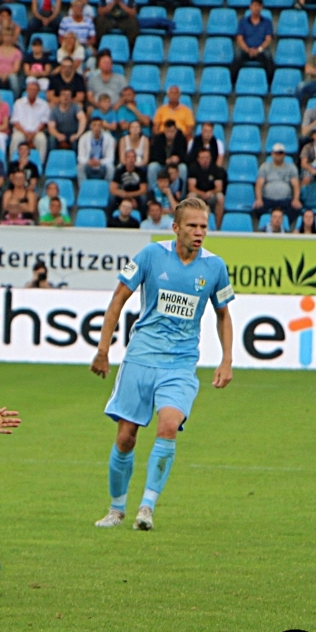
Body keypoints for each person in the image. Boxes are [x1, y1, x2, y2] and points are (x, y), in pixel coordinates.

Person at [90, 197, 234, 532]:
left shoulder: (215, 266)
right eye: (192, 226)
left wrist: (227, 360)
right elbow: (117, 300)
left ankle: (147, 508)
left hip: (181, 363)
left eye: (204, 227)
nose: (199, 233)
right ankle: (116, 510)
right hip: (141, 356)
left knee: (168, 425)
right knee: (126, 437)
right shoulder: (151, 255)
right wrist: (102, 349)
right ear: (176, 227)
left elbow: (224, 315)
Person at [254, 142, 301, 224]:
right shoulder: (264, 167)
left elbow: (296, 185)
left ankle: (284, 227)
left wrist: (296, 199)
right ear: (272, 154)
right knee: (257, 208)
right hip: (268, 199)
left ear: (284, 154)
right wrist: (258, 199)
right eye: (276, 153)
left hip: (285, 200)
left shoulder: (291, 167)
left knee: (296, 209)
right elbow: (259, 184)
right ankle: (267, 226)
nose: (278, 155)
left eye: (280, 153)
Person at [232, 0, 275, 76]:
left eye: (258, 6)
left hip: (261, 50)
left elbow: (268, 39)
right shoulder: (243, 21)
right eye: (254, 5)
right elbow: (239, 39)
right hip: (246, 49)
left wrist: (258, 50)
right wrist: (248, 50)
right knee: (237, 58)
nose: (256, 8)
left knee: (269, 59)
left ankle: (270, 84)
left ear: (261, 8)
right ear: (250, 7)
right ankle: (233, 83)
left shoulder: (267, 22)